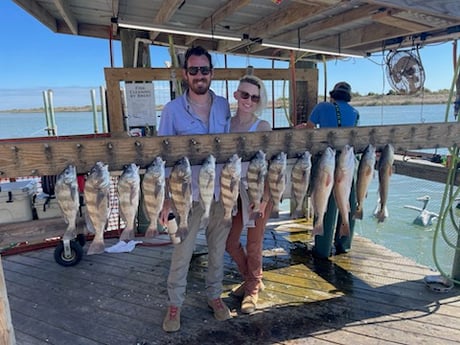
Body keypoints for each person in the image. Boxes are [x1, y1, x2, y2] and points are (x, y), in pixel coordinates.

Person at [158, 46, 232, 333]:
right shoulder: (171, 110)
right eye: (194, 70)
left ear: (211, 73)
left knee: (217, 249)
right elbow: (163, 158)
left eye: (204, 70)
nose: (199, 75)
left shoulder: (225, 105)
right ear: (185, 74)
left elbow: (238, 140)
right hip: (185, 196)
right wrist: (166, 199)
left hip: (220, 193)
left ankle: (215, 296)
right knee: (182, 252)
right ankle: (174, 304)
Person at [225, 75, 272, 314]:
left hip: (258, 190)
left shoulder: (262, 126)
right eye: (244, 95)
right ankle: (252, 278)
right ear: (236, 95)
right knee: (230, 241)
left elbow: (269, 166)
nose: (249, 100)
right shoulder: (227, 124)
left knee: (254, 244)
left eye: (254, 97)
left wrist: (263, 199)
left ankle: (252, 290)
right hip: (234, 191)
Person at [299, 82, 360, 258]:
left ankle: (322, 248)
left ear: (332, 95)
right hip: (347, 162)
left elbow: (310, 128)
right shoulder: (355, 113)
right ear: (348, 96)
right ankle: (344, 244)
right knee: (347, 199)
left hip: (325, 160)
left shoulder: (322, 107)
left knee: (324, 201)